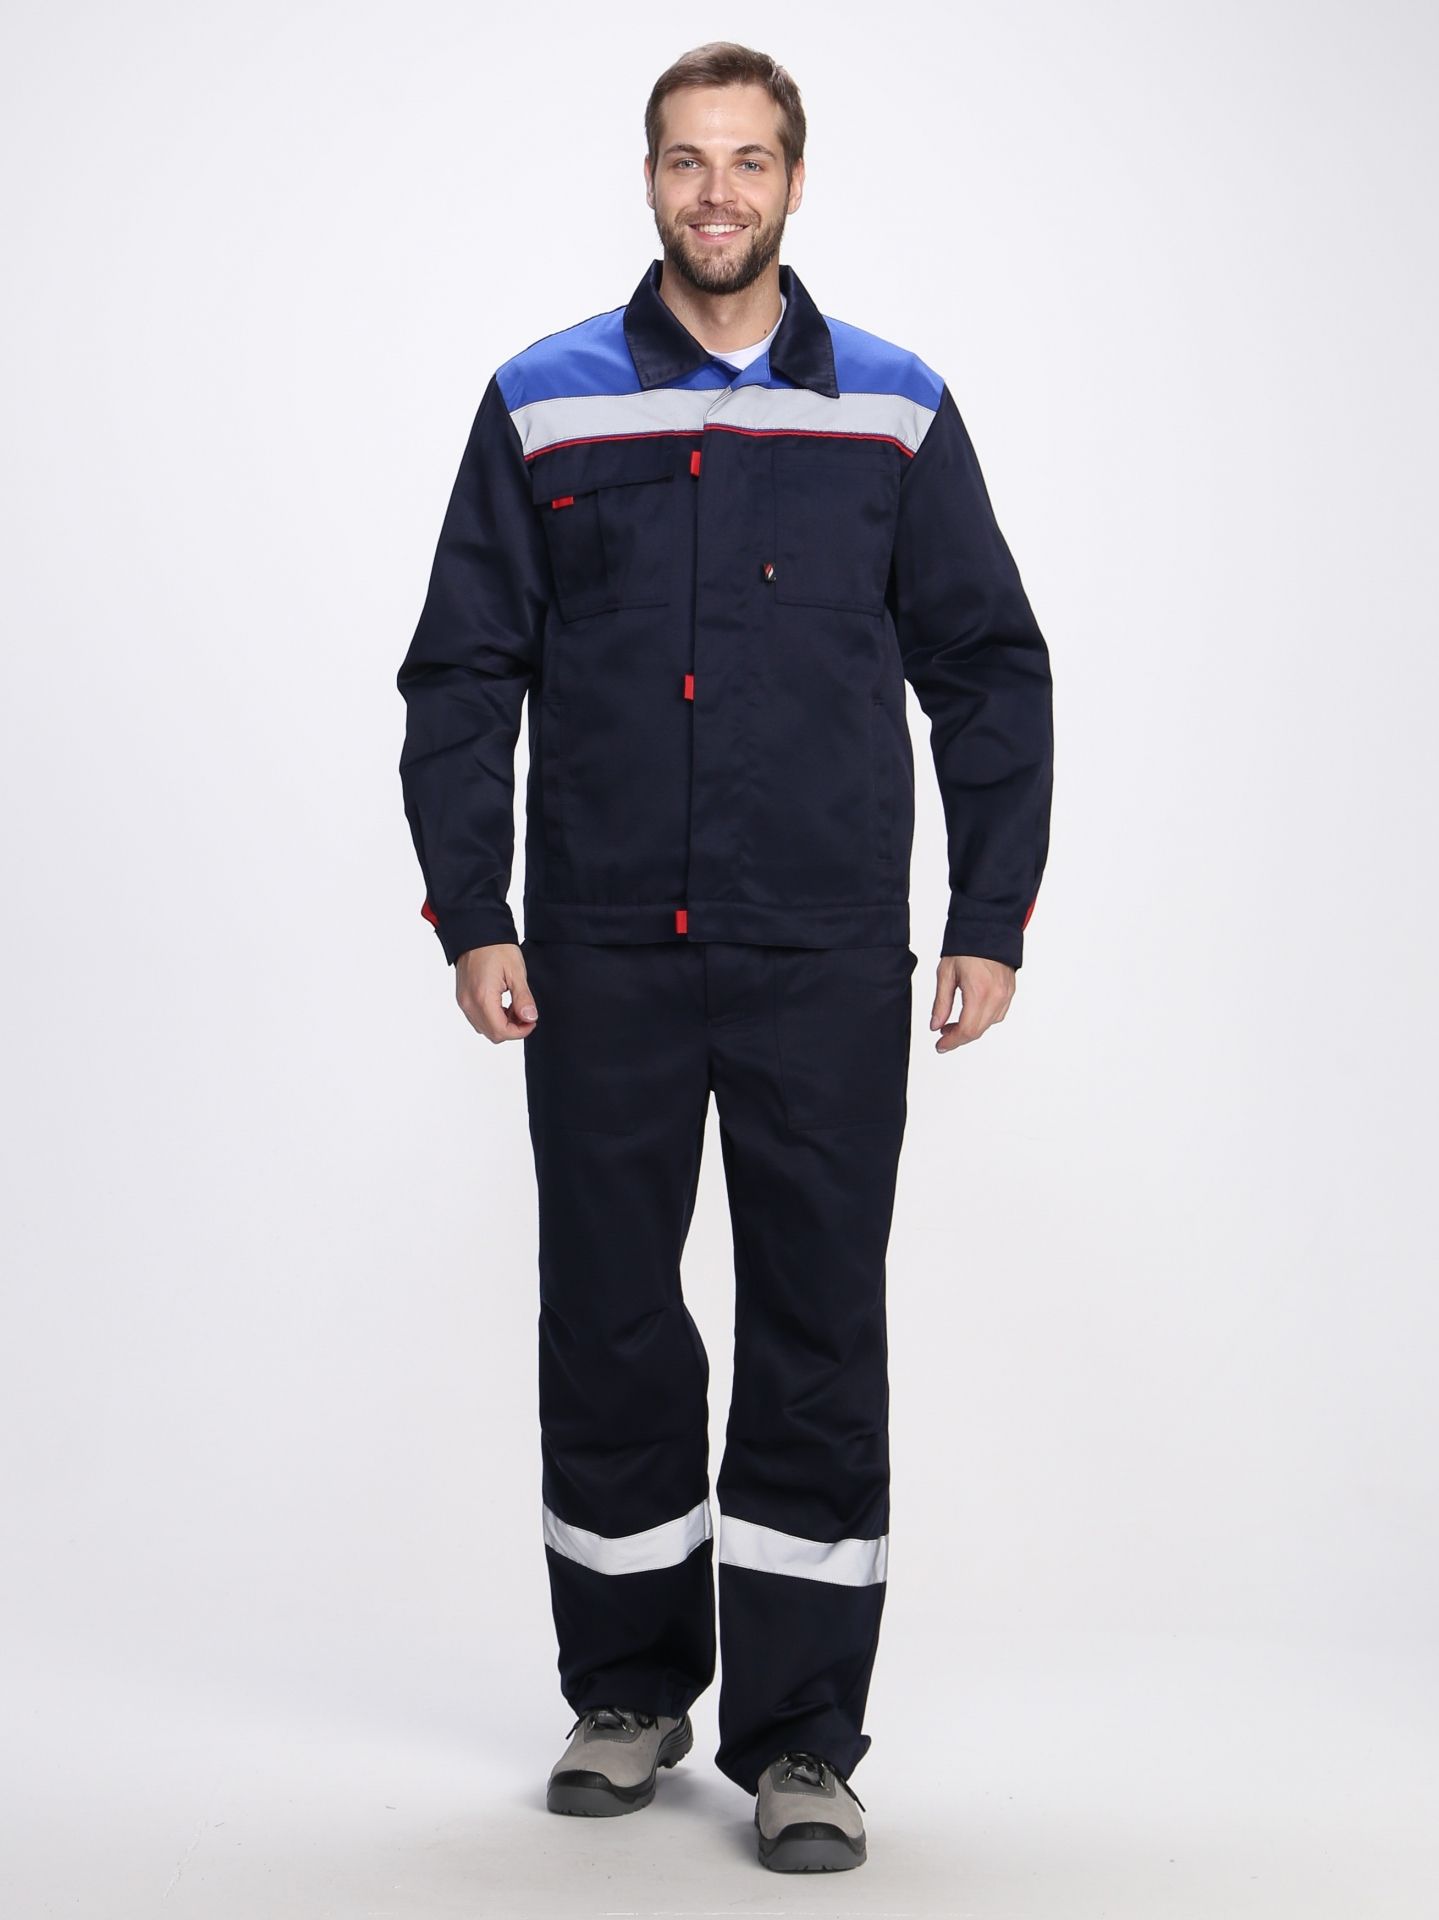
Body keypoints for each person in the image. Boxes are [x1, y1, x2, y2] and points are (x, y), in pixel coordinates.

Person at [396, 40, 1054, 1876]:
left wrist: (988, 916)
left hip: (821, 950)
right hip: (599, 952)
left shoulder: (895, 408)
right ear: (650, 179)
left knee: (817, 1330)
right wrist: (475, 911)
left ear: (793, 182)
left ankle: (803, 1738)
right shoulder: (544, 400)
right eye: (688, 160)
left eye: (748, 161)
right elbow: (464, 671)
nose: (717, 193)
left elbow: (989, 665)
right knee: (610, 1320)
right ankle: (625, 1694)